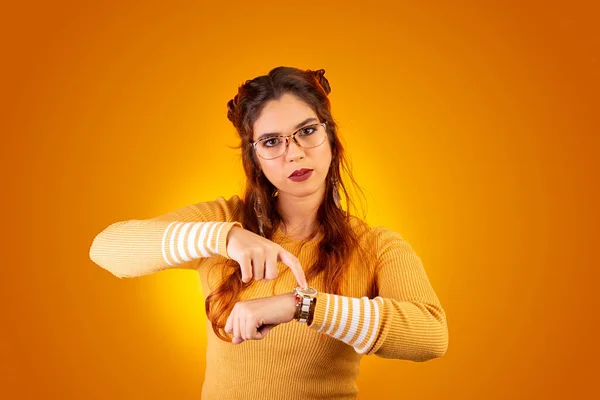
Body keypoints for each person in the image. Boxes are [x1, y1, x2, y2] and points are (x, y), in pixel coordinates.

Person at [89, 66, 449, 399]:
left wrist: (302, 306)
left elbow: (431, 336)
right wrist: (224, 237)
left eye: (307, 132)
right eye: (272, 142)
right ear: (255, 157)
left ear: (331, 137)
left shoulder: (374, 246)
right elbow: (107, 249)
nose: (293, 154)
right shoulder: (223, 219)